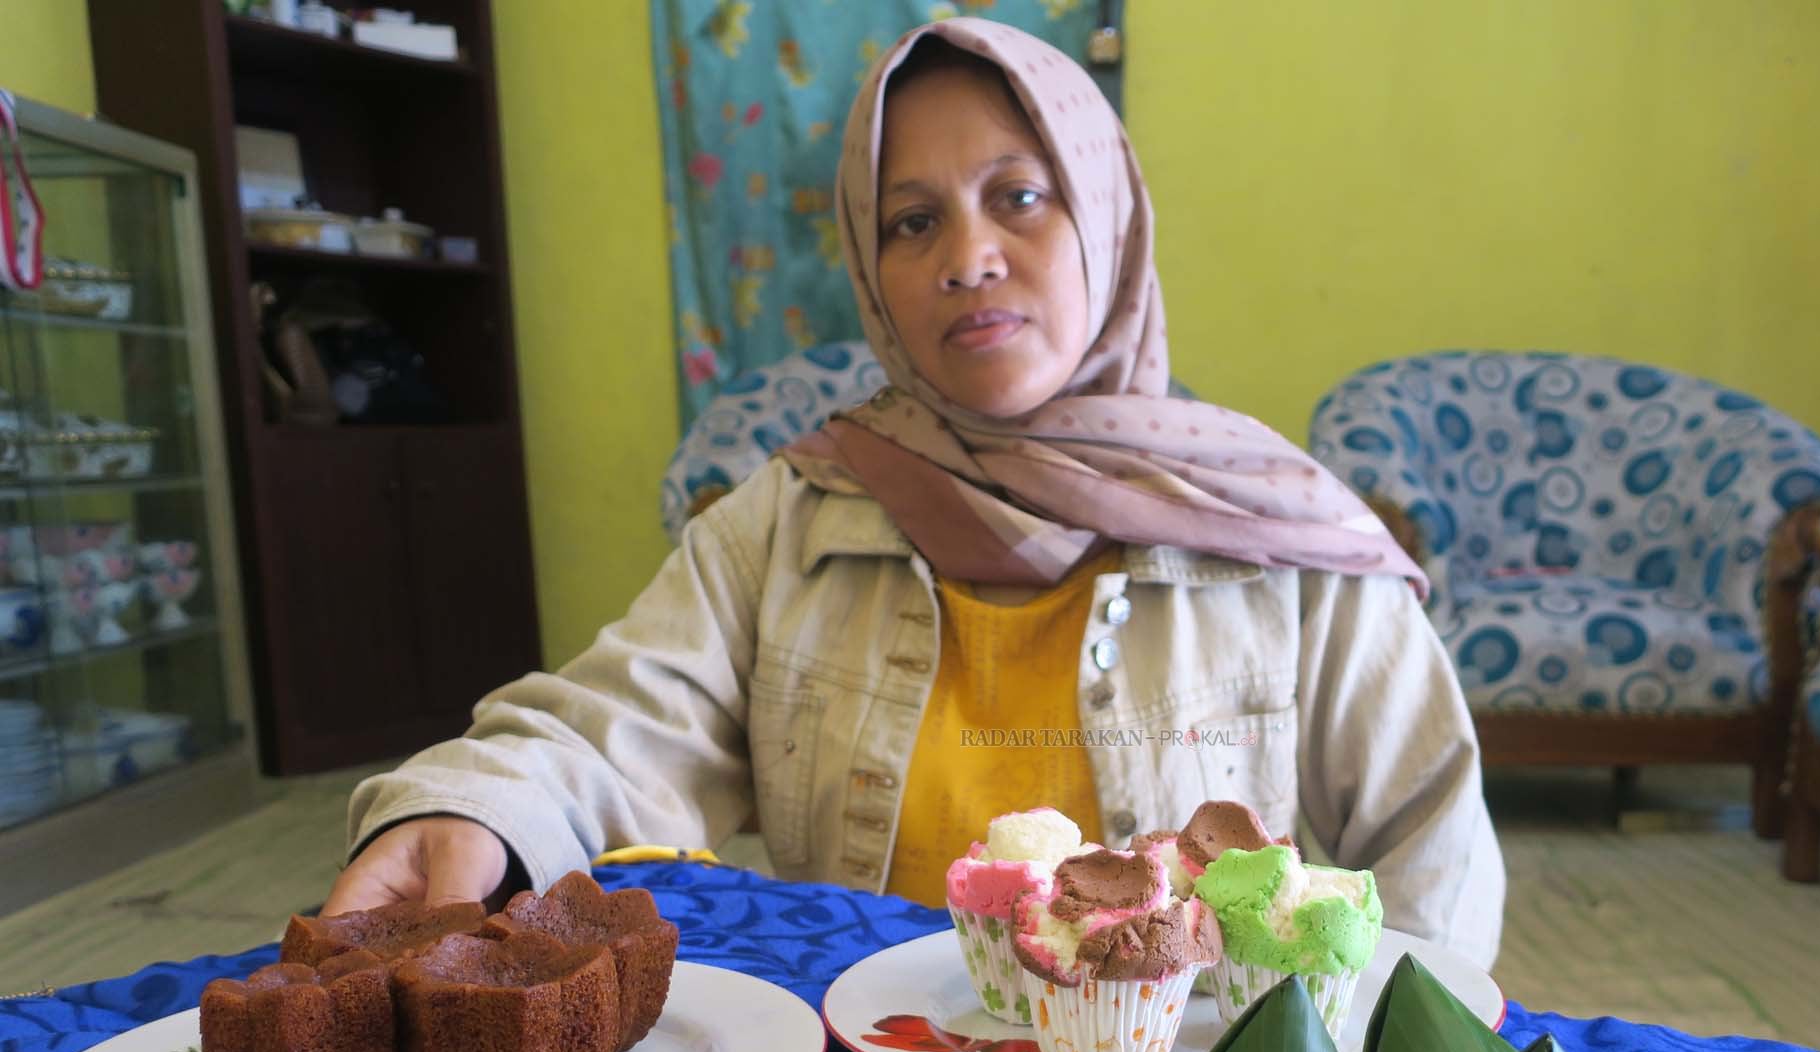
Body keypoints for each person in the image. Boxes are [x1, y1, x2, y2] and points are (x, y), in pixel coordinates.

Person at [325, 18, 1504, 957]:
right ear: (870, 265)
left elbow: (1430, 852)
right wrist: (473, 807)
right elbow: (609, 729)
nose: (967, 256)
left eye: (1019, 195)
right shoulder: (790, 519)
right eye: (911, 220)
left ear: (1104, 215)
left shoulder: (1277, 534)